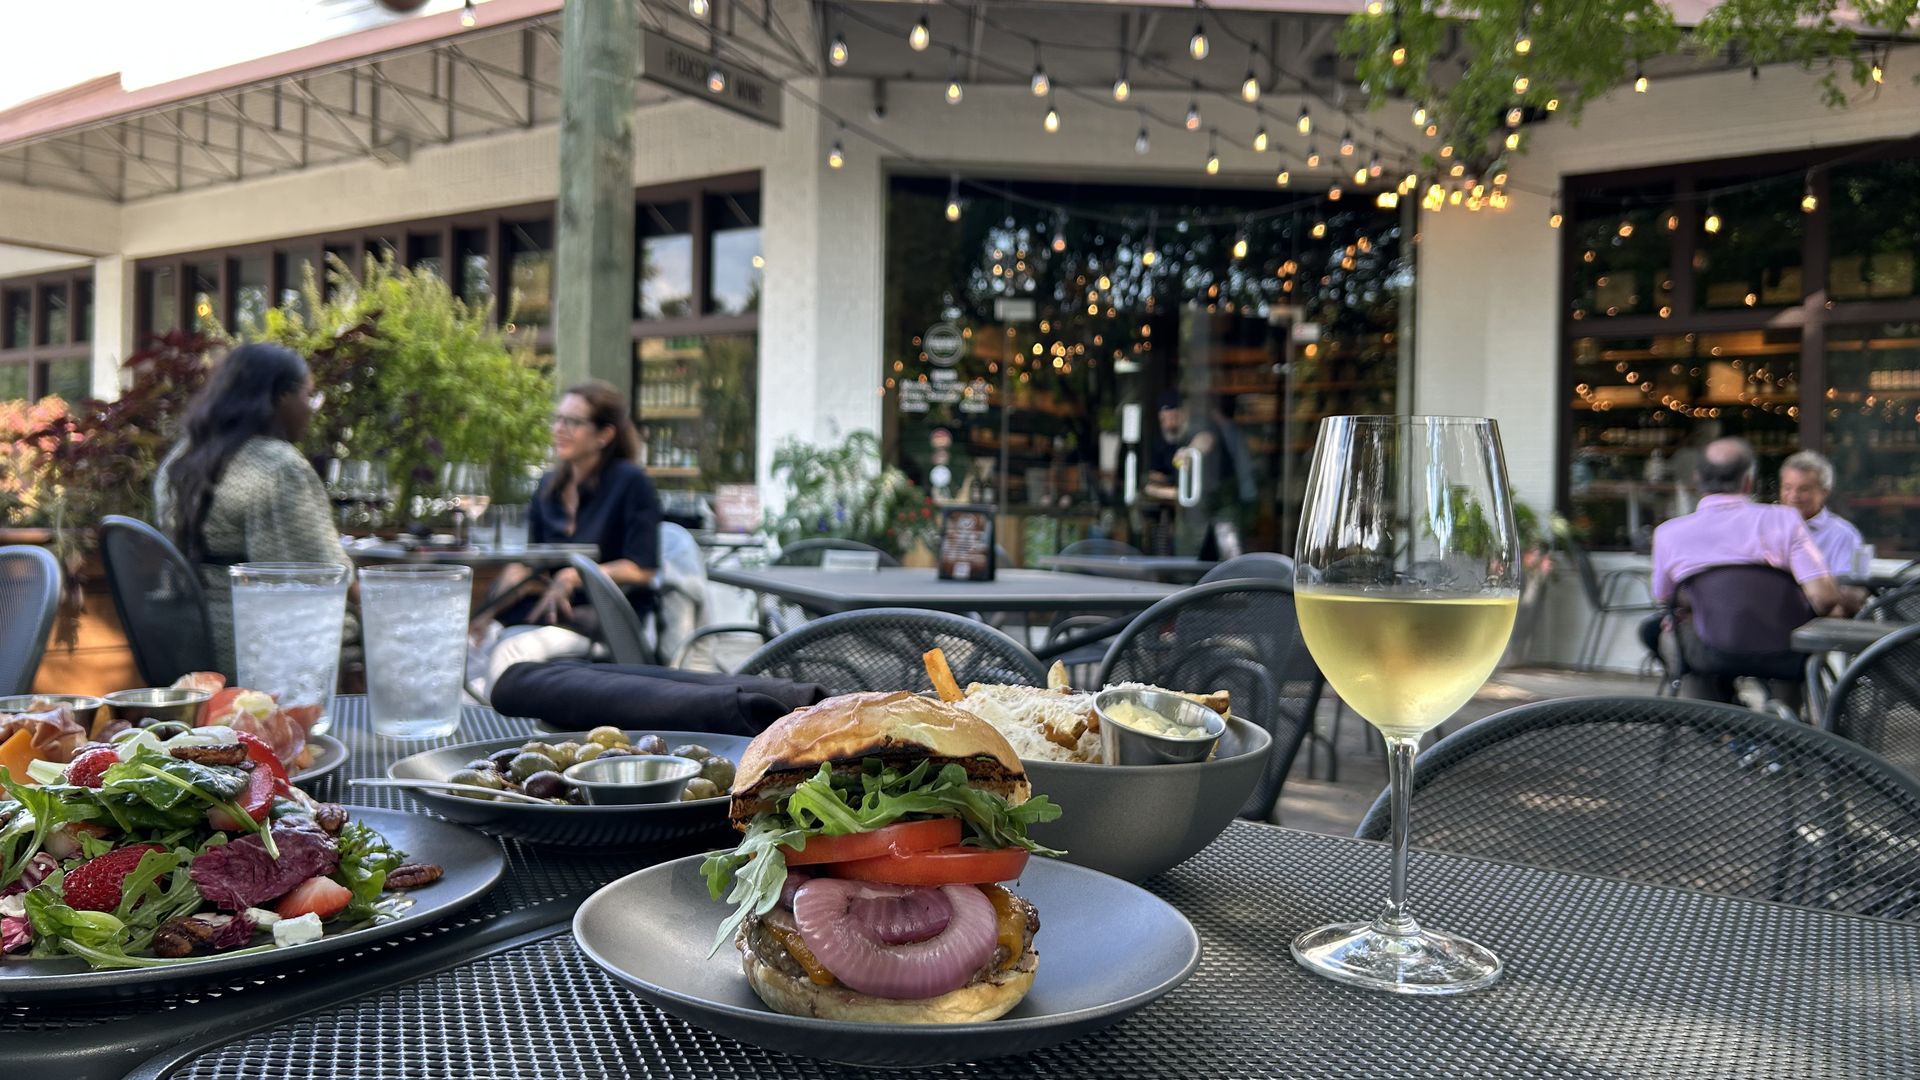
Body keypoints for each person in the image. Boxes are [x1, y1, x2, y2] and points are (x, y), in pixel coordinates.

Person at [154, 343, 355, 678]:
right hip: (260, 653)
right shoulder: (277, 467)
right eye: (309, 396)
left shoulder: (178, 461)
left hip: (186, 646)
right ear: (279, 398)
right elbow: (323, 579)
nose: (312, 409)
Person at [473, 380, 661, 697]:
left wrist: (576, 575)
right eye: (558, 419)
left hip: (607, 619)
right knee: (471, 643)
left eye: (573, 421)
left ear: (605, 434)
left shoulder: (631, 482)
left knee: (512, 653)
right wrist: (504, 593)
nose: (560, 428)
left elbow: (642, 569)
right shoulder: (549, 486)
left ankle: (504, 741)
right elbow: (535, 562)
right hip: (550, 609)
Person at [1143, 391, 1245, 558]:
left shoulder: (1199, 426)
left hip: (1220, 506)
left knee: (1230, 560)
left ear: (1183, 413)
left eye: (1172, 418)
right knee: (1189, 557)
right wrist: (1167, 491)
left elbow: (1204, 440)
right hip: (1191, 510)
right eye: (1163, 420)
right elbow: (1155, 479)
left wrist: (1190, 453)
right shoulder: (1162, 440)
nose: (1167, 424)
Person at [1778, 449, 1865, 580]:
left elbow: (1847, 591)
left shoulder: (1843, 536)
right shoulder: (1767, 528)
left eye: (1804, 489)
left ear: (1825, 492)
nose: (1793, 496)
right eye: (1787, 487)